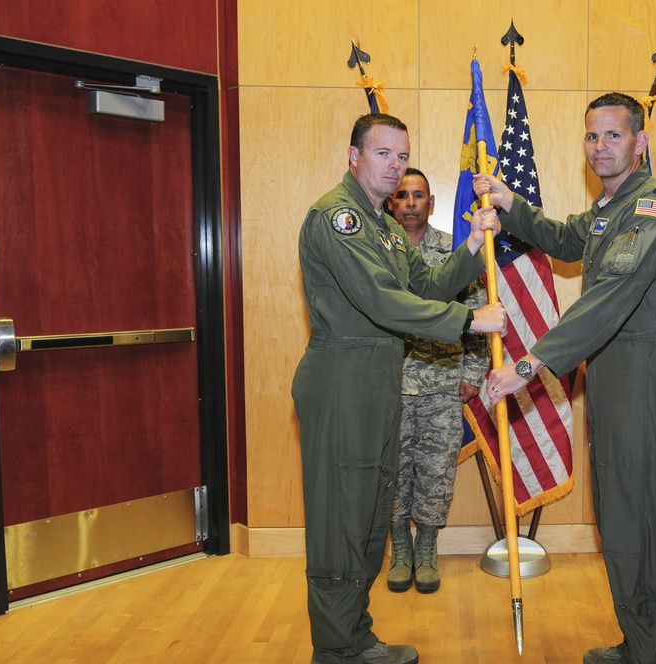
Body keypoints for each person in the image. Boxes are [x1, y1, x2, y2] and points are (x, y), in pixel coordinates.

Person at [475, 92, 656, 664]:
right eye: (591, 137)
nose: (599, 148)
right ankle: (643, 641)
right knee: (619, 516)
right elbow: (569, 239)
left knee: (640, 517)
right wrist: (510, 202)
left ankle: (654, 652)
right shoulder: (608, 209)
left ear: (641, 142)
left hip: (643, 380)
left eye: (613, 136)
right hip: (613, 377)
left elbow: (607, 300)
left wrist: (528, 365)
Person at [291, 113, 506, 664]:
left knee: (367, 517)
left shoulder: (383, 225)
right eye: (383, 153)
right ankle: (335, 649)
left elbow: (427, 284)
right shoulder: (338, 218)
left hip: (380, 378)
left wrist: (471, 245)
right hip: (343, 382)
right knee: (342, 518)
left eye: (402, 155)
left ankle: (355, 635)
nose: (395, 166)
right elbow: (382, 299)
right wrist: (467, 321)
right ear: (354, 155)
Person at [383, 168, 489, 594]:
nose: (410, 203)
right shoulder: (378, 250)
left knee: (435, 469)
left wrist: (473, 373)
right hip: (389, 383)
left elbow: (478, 310)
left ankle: (426, 547)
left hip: (443, 382)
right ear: (391, 203)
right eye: (402, 195)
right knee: (392, 470)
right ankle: (400, 550)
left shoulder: (453, 251)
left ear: (432, 202)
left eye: (419, 195)